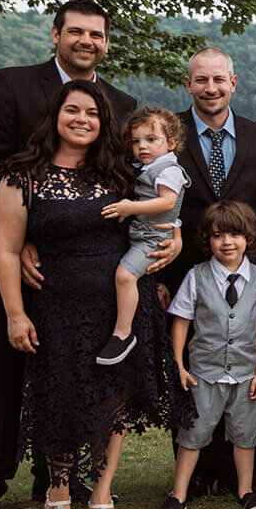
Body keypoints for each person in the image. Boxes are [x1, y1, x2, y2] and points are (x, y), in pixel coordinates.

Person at [0, 0, 147, 509]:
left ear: (106, 43)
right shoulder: (12, 83)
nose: (87, 41)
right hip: (16, 255)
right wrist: (21, 240)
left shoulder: (120, 100)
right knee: (3, 370)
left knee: (75, 375)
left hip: (84, 270)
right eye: (77, 32)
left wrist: (163, 235)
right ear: (56, 34)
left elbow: (130, 181)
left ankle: (58, 479)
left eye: (97, 34)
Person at [0, 80, 182, 509]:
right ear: (55, 115)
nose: (82, 119)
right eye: (73, 110)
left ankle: (100, 493)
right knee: (60, 396)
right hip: (56, 305)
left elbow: (165, 209)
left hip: (118, 307)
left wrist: (177, 238)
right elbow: (4, 248)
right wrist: (16, 314)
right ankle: (57, 491)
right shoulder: (23, 176)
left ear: (104, 123)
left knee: (112, 401)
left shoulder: (120, 171)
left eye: (93, 113)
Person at [161, 46, 256, 499]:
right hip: (184, 275)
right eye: (202, 80)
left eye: (219, 80)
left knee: (249, 373)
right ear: (189, 83)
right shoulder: (169, 134)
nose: (211, 88)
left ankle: (249, 470)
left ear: (234, 84)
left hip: (249, 277)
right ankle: (195, 472)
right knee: (196, 374)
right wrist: (159, 276)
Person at [156, 201, 256, 509]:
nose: (227, 242)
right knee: (193, 433)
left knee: (245, 434)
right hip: (203, 373)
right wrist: (179, 365)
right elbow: (181, 321)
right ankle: (179, 494)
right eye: (218, 235)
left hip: (245, 374)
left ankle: (246, 490)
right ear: (207, 240)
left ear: (249, 238)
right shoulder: (195, 277)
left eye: (235, 234)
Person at [97, 107, 189, 366]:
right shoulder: (146, 167)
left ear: (171, 143)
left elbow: (167, 203)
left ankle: (123, 332)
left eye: (151, 140)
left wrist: (130, 208)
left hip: (152, 238)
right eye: (136, 142)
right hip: (142, 233)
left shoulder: (169, 170)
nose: (142, 147)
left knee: (125, 276)